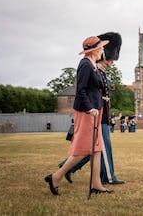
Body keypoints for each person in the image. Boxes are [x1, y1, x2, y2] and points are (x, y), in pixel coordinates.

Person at [45, 35, 113, 196]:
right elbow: (80, 91)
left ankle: (96, 185)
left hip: (96, 111)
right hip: (86, 113)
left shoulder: (93, 65)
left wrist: (100, 99)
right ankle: (56, 176)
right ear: (94, 50)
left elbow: (92, 89)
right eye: (101, 47)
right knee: (83, 150)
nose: (103, 49)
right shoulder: (85, 65)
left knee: (97, 149)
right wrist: (90, 108)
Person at [57, 32, 125, 186]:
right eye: (110, 59)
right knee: (98, 147)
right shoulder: (92, 68)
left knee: (95, 148)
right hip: (95, 115)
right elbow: (84, 92)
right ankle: (107, 177)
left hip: (102, 114)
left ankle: (67, 167)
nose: (112, 62)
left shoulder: (100, 72)